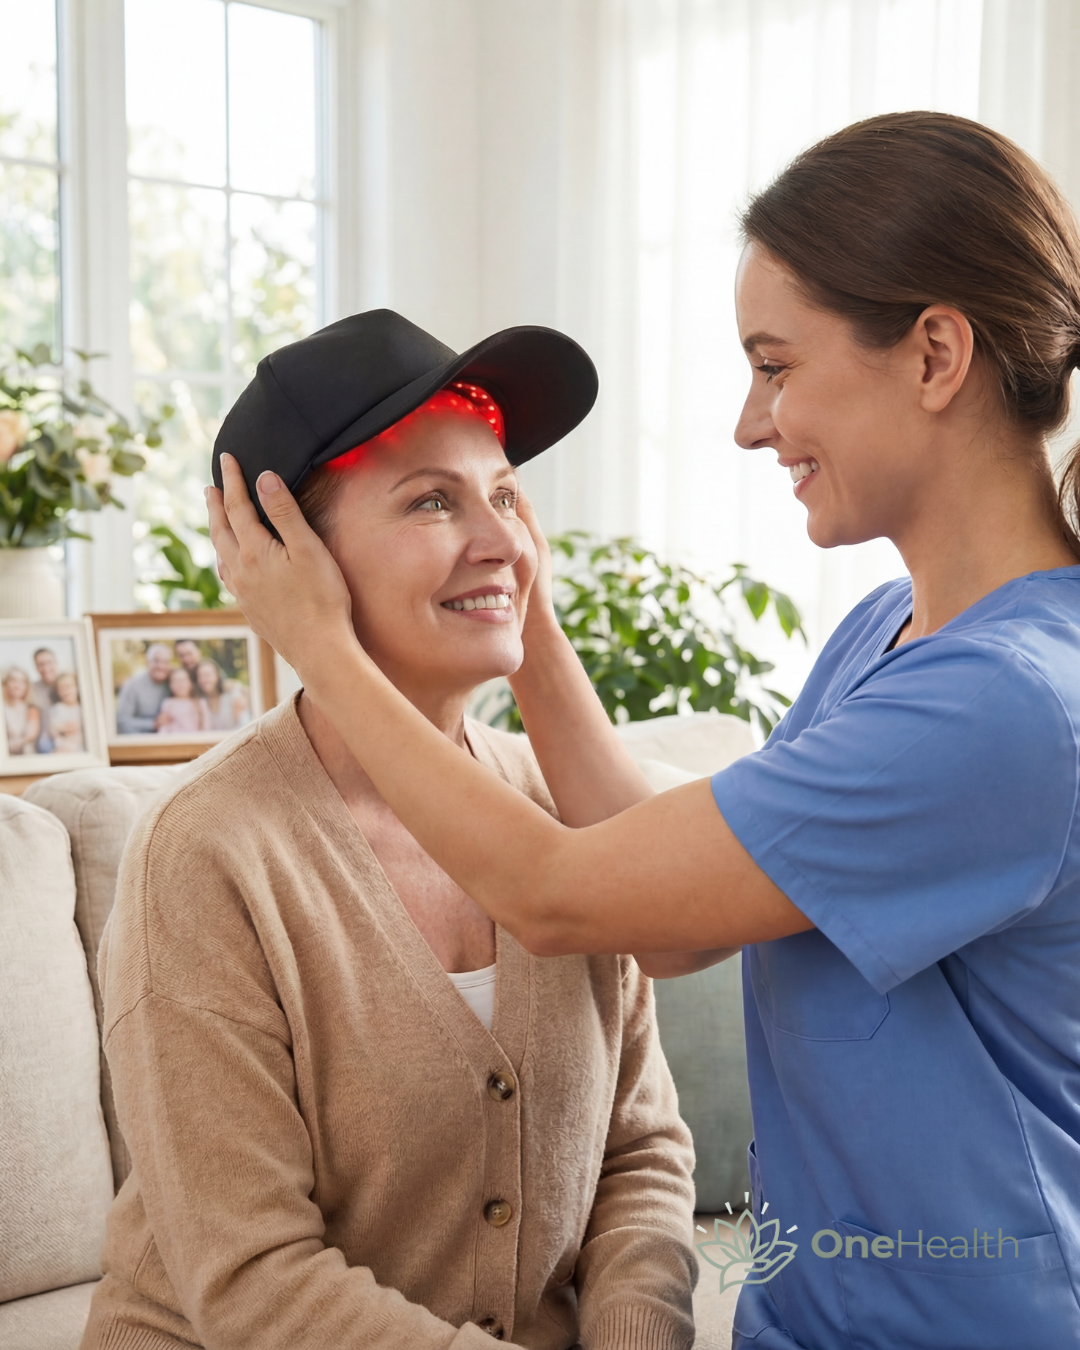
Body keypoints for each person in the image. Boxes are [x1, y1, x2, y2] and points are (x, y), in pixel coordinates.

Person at [210, 114, 1080, 1350]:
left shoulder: (1007, 703)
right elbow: (667, 911)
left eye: (775, 366)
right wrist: (514, 582)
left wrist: (322, 648)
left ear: (936, 354)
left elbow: (559, 894)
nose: (750, 422)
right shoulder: (888, 634)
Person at [84, 311, 697, 1350]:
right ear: (289, 559)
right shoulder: (207, 851)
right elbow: (255, 1282)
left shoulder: (561, 815)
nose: (504, 541)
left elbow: (640, 1154)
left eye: (505, 495)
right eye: (432, 501)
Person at [114, 643, 172, 734]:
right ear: (147, 662)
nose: (161, 666)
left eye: (165, 662)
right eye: (156, 661)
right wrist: (153, 724)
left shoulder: (174, 682)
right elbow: (121, 721)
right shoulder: (132, 685)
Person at [194, 656, 248, 731]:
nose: (203, 679)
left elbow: (245, 725)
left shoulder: (232, 695)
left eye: (207, 675)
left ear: (217, 675)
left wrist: (238, 686)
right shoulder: (201, 701)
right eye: (200, 676)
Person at [2, 666, 41, 756]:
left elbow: (31, 734)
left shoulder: (31, 708)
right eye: (13, 680)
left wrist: (16, 743)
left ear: (26, 686)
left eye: (22, 682)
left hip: (25, 755)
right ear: (6, 683)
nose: (17, 686)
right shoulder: (2, 708)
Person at [155, 665, 202, 735]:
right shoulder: (168, 703)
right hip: (174, 740)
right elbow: (163, 728)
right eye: (175, 681)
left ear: (191, 683)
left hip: (196, 740)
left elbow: (206, 728)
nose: (180, 684)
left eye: (183, 680)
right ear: (170, 685)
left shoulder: (200, 703)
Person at [47, 670, 85, 754]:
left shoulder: (83, 708)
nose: (66, 691)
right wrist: (64, 728)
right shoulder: (57, 708)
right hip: (62, 747)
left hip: (81, 748)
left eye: (69, 686)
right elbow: (52, 730)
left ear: (77, 687)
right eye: (62, 688)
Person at [30, 646, 59, 752]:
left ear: (56, 663)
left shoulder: (68, 684)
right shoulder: (32, 689)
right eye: (41, 664)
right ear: (36, 667)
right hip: (45, 740)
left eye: (49, 663)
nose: (46, 668)